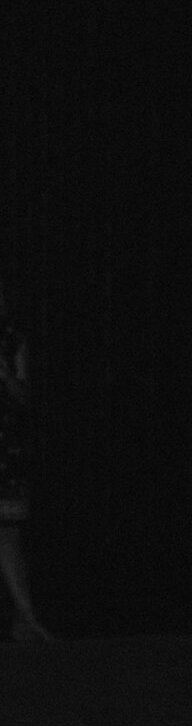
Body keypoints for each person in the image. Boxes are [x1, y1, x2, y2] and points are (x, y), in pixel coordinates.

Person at [0, 276, 52, 643]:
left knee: (9, 532)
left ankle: (26, 619)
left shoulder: (13, 340)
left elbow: (26, 397)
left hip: (6, 449)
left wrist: (6, 376)